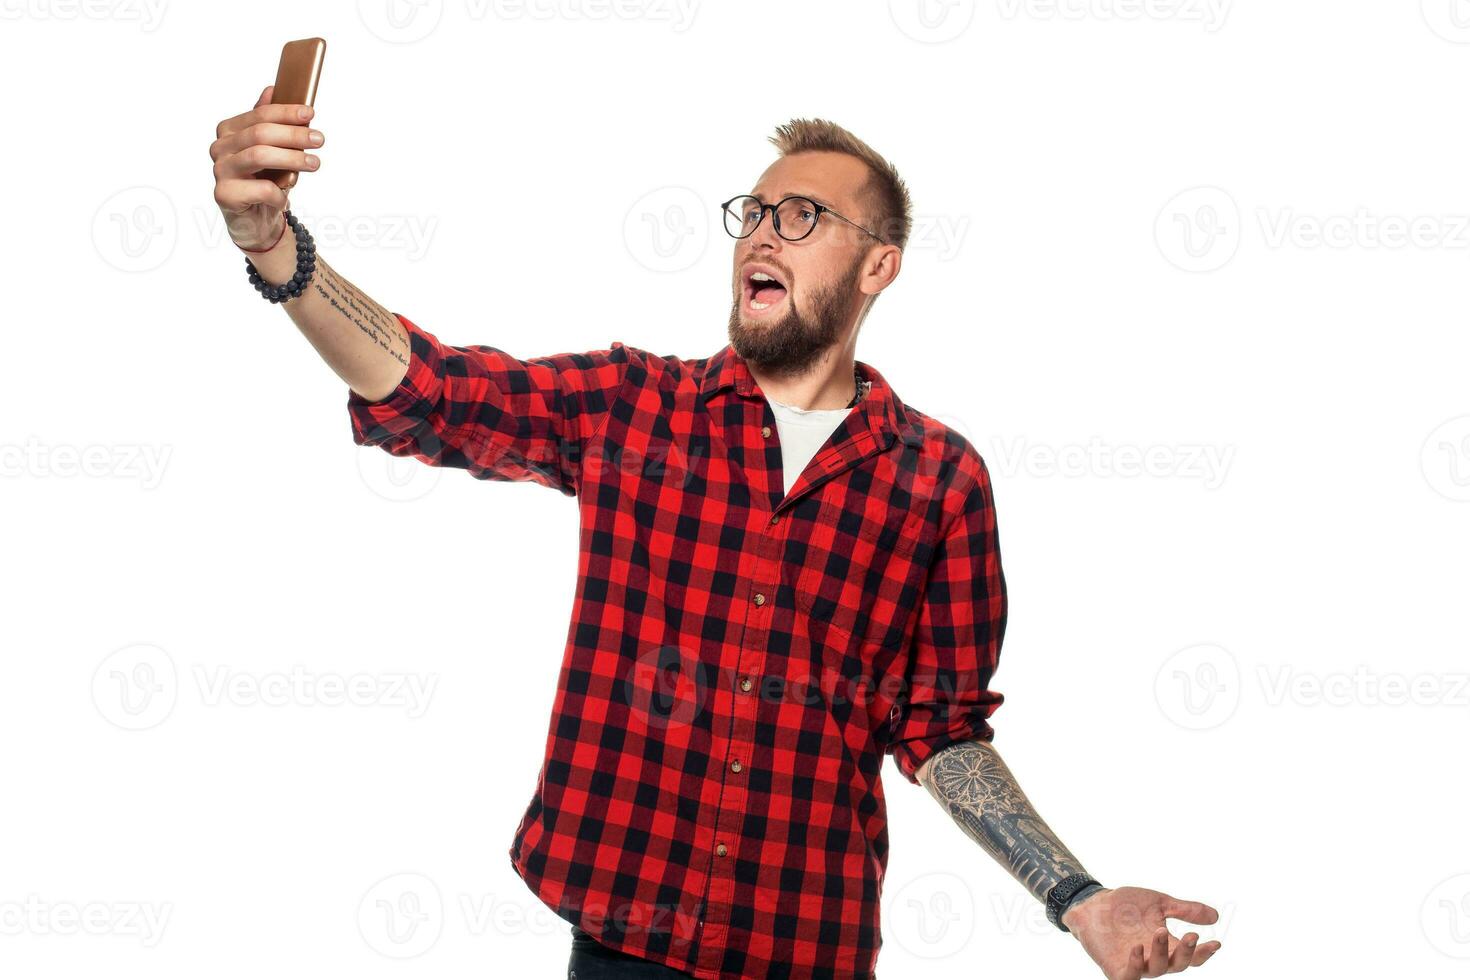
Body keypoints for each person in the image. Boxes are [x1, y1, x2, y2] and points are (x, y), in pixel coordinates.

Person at [211, 87, 1224, 980]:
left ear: (880, 265)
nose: (761, 234)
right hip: (621, 952)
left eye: (801, 215)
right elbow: (431, 387)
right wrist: (277, 249)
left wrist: (1074, 894)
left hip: (808, 950)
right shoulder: (632, 407)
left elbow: (942, 728)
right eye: (752, 212)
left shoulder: (939, 479)